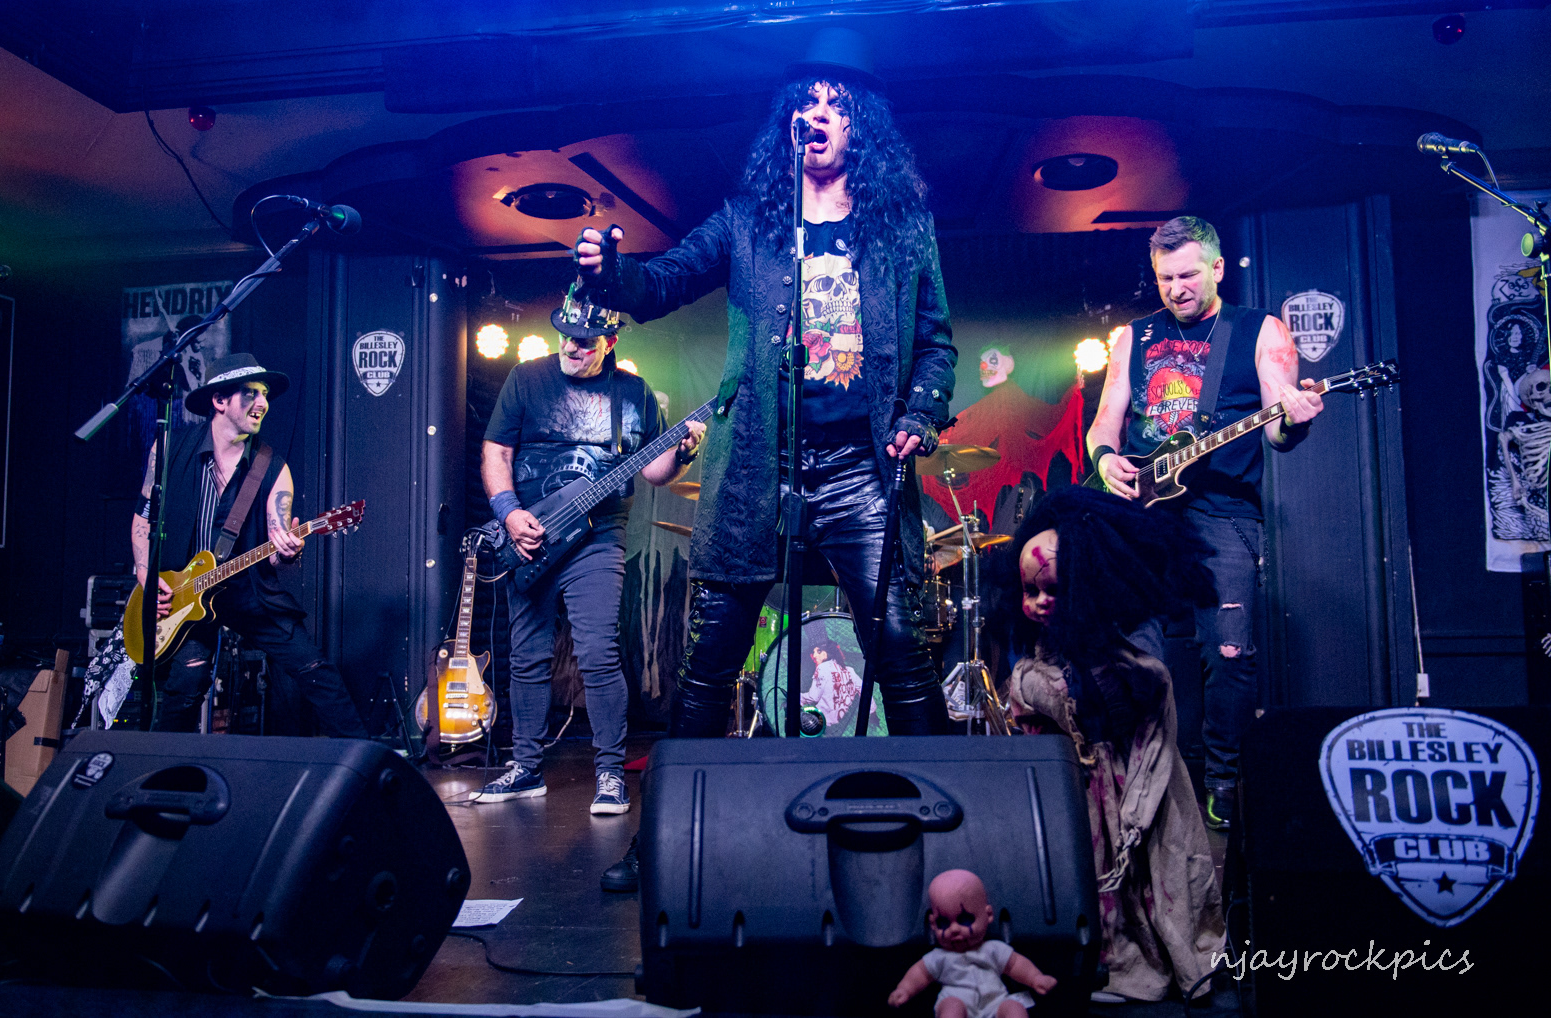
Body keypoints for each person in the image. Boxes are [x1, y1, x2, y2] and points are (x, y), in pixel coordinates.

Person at [573, 27, 955, 744]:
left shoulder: (903, 227)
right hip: (757, 464)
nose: (817, 114)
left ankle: (941, 804)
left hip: (860, 470)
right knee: (710, 660)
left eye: (835, 104)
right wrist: (610, 276)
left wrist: (919, 414)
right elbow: (664, 281)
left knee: (902, 654)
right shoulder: (748, 222)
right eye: (805, 102)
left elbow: (936, 344)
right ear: (789, 121)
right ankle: (674, 813)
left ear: (861, 125)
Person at [1085, 215, 1323, 830]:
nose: (1176, 289)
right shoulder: (1134, 336)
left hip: (1223, 511)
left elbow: (1277, 430)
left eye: (1188, 275)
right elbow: (1105, 421)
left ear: (1217, 267)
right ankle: (1146, 778)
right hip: (1145, 512)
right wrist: (1106, 458)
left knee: (1229, 653)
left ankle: (1225, 782)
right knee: (1135, 652)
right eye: (1165, 278)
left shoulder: (1259, 331)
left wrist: (1295, 419)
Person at [479, 287, 704, 814]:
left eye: (584, 342)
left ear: (610, 342)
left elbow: (655, 470)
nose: (571, 348)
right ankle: (525, 768)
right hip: (531, 534)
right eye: (565, 337)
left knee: (598, 653)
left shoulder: (633, 392)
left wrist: (683, 453)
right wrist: (510, 514)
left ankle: (609, 774)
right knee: (527, 656)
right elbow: (496, 451)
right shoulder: (526, 378)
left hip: (598, 537)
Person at [1004, 486, 1224, 1004]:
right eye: (1030, 591)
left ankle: (1143, 963)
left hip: (1131, 790)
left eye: (1053, 590)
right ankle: (1099, 961)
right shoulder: (1036, 667)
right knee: (1085, 876)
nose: (1039, 603)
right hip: (1075, 792)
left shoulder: (1133, 668)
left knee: (1143, 883)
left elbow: (1153, 731)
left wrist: (1136, 806)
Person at [132, 353, 368, 737]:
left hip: (248, 590)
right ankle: (162, 766)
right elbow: (143, 518)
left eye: (264, 394)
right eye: (250, 393)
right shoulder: (170, 449)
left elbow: (278, 549)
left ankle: (365, 756)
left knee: (315, 671)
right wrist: (145, 576)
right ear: (219, 400)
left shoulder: (271, 467)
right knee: (186, 685)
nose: (262, 402)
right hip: (183, 592)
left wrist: (287, 551)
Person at [888, 869, 1056, 1018]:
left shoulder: (992, 949)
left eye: (965, 919)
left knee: (1014, 1007)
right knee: (951, 1007)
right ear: (933, 924)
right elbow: (920, 973)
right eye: (943, 923)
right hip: (959, 1002)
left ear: (988, 915)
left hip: (995, 1003)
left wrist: (1035, 978)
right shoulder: (939, 957)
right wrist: (905, 989)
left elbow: (1015, 964)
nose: (954, 929)